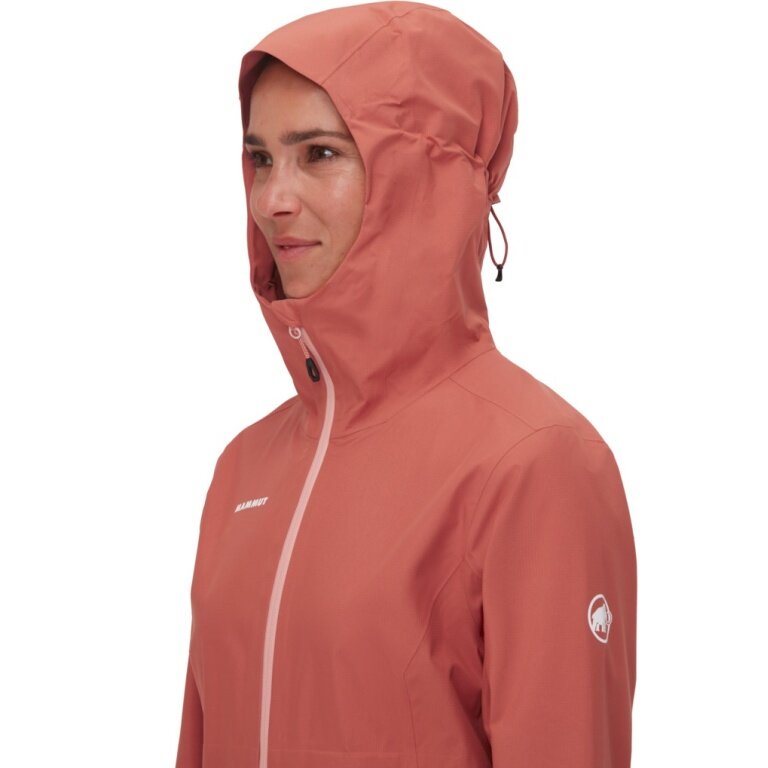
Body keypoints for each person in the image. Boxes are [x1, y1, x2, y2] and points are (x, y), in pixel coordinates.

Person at [174, 2, 637, 767]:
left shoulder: (536, 463)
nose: (272, 199)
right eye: (260, 158)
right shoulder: (243, 467)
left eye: (319, 153)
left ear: (426, 175)